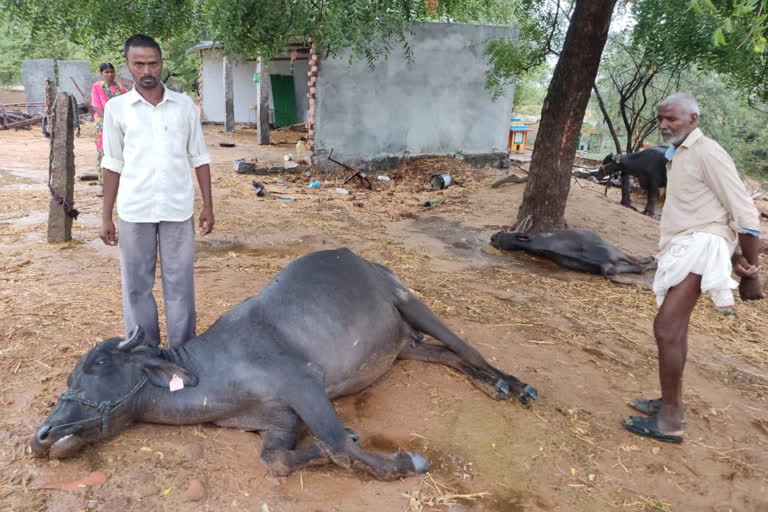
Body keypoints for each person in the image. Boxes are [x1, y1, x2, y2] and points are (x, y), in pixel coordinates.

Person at [623, 93, 763, 443]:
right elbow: (711, 208)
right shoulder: (680, 154)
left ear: (693, 119)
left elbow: (744, 215)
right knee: (676, 329)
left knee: (666, 328)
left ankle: (670, 420)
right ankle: (672, 404)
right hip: (689, 245)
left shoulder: (708, 152)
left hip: (701, 247)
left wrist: (752, 272)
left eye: (671, 118)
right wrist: (734, 258)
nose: (663, 125)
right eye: (660, 119)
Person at [99, 34, 214, 349]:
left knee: (180, 286)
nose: (147, 70)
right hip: (134, 209)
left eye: (153, 63)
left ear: (161, 63)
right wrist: (106, 216)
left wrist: (208, 205)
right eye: (139, 64)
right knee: (136, 287)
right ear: (128, 65)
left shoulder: (184, 106)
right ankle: (142, 353)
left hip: (177, 208)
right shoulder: (116, 109)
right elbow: (112, 164)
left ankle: (183, 353)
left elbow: (200, 158)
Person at [91, 63, 127, 197]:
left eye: (112, 72)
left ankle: (120, 183)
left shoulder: (120, 88)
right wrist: (109, 121)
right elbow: (96, 106)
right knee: (103, 152)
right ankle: (102, 185)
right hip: (103, 125)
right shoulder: (97, 87)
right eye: (106, 72)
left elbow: (125, 106)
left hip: (119, 124)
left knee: (120, 152)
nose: (110, 75)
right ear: (101, 73)